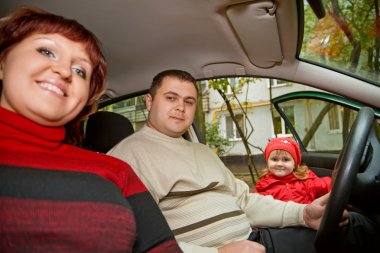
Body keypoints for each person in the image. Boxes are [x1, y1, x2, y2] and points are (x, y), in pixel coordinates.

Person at [0, 8, 182, 252]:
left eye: (80, 71)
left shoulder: (116, 171)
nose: (65, 71)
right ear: (3, 62)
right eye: (46, 51)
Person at [108, 69, 342, 253]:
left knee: (349, 232)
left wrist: (302, 214)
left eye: (189, 101)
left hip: (254, 241)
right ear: (149, 102)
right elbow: (137, 239)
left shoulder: (203, 152)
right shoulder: (127, 158)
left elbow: (245, 201)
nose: (181, 107)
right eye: (171, 98)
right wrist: (219, 251)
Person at [254, 137, 331, 204]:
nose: (279, 164)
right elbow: (256, 207)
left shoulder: (306, 180)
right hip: (276, 220)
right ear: (267, 162)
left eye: (286, 159)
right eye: (274, 159)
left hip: (304, 219)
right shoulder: (264, 185)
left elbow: (328, 184)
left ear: (295, 164)